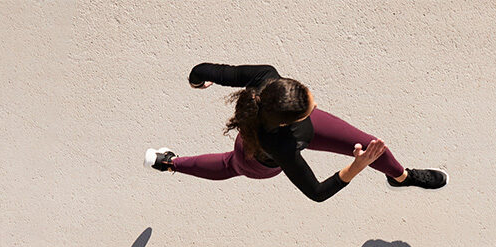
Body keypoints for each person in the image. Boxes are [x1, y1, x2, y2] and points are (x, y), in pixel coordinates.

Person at [144, 63, 447, 202]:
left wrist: (197, 81)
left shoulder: (266, 76)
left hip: (284, 130)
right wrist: (357, 166)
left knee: (372, 144)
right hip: (256, 159)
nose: (314, 99)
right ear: (290, 122)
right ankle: (170, 162)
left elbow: (205, 69)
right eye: (308, 105)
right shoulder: (281, 147)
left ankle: (401, 178)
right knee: (229, 165)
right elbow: (316, 193)